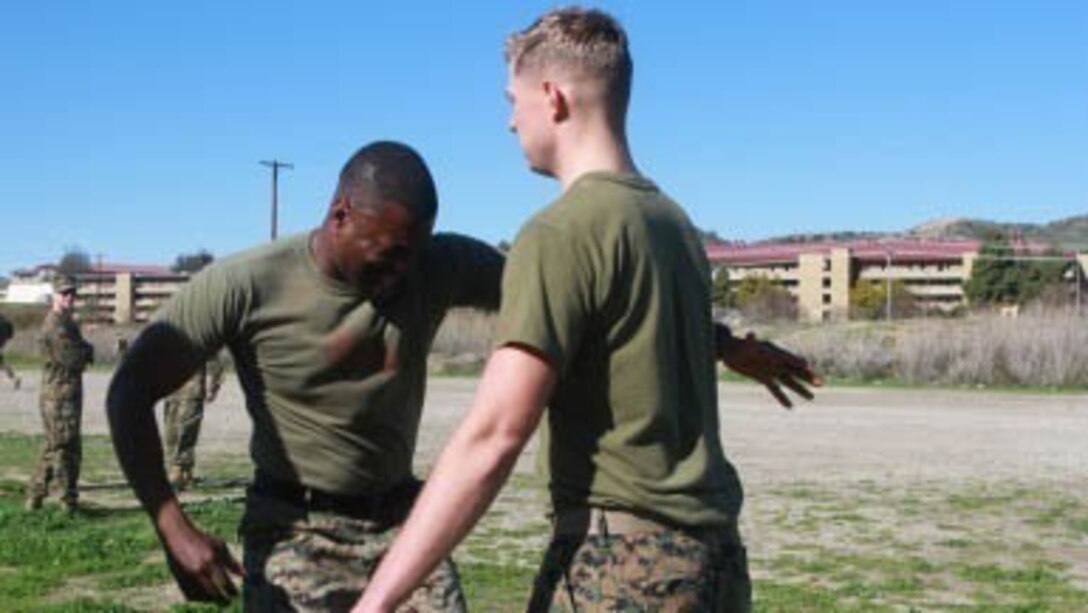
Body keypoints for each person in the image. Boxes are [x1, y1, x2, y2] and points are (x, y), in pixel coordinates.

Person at [355, 8, 819, 613]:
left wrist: (377, 600)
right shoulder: (674, 224)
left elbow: (495, 435)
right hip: (716, 561)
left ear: (552, 97)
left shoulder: (559, 232)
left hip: (623, 567)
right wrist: (728, 344)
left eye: (512, 100)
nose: (508, 122)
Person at [106, 141, 504, 611]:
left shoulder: (437, 265)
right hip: (296, 525)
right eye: (391, 254)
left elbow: (549, 290)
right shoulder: (246, 285)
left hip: (404, 521)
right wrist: (172, 527)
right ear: (340, 215)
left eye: (415, 255)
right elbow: (129, 391)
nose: (403, 272)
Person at [26, 279, 94, 513]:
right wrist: (85, 352)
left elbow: (85, 350)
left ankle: (36, 495)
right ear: (54, 296)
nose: (69, 299)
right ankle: (67, 500)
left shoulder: (68, 323)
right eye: (64, 294)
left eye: (72, 294)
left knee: (58, 444)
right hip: (59, 394)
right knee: (63, 446)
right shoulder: (56, 326)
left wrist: (85, 351)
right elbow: (74, 358)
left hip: (67, 392)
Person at [163, 354, 225, 489]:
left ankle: (178, 467)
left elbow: (214, 358)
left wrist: (214, 384)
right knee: (170, 431)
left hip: (192, 389)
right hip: (170, 390)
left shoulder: (196, 334)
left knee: (187, 428)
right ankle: (184, 472)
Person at [0, 314, 21, 389]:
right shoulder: (7, 322)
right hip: (2, 344)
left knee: (2, 363)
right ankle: (15, 378)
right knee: (2, 363)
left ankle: (15, 378)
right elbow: (11, 334)